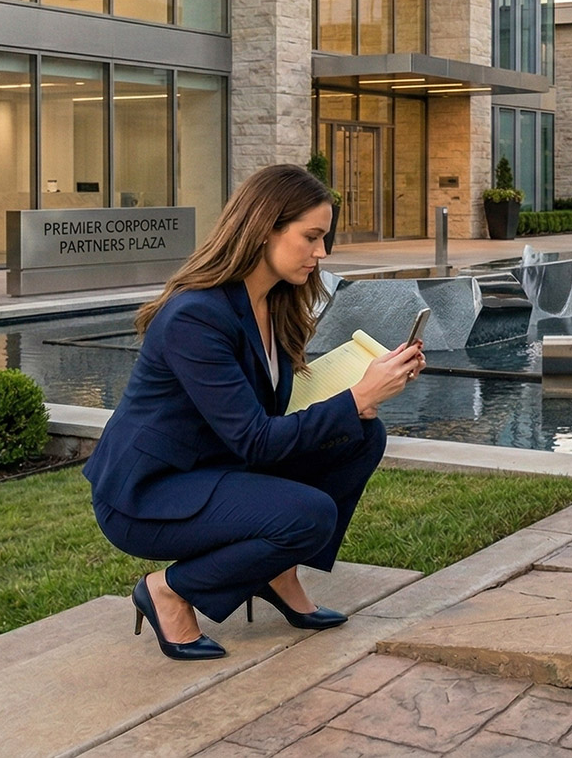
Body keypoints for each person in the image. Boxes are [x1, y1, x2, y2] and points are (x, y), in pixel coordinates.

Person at [85, 163, 425, 660]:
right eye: (310, 237)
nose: (321, 253)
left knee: (361, 436)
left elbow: (270, 413)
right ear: (264, 228)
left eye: (324, 238)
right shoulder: (196, 315)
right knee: (310, 514)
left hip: (217, 465)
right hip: (148, 492)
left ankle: (276, 571)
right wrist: (356, 398)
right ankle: (170, 590)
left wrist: (367, 389)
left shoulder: (274, 302)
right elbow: (255, 440)